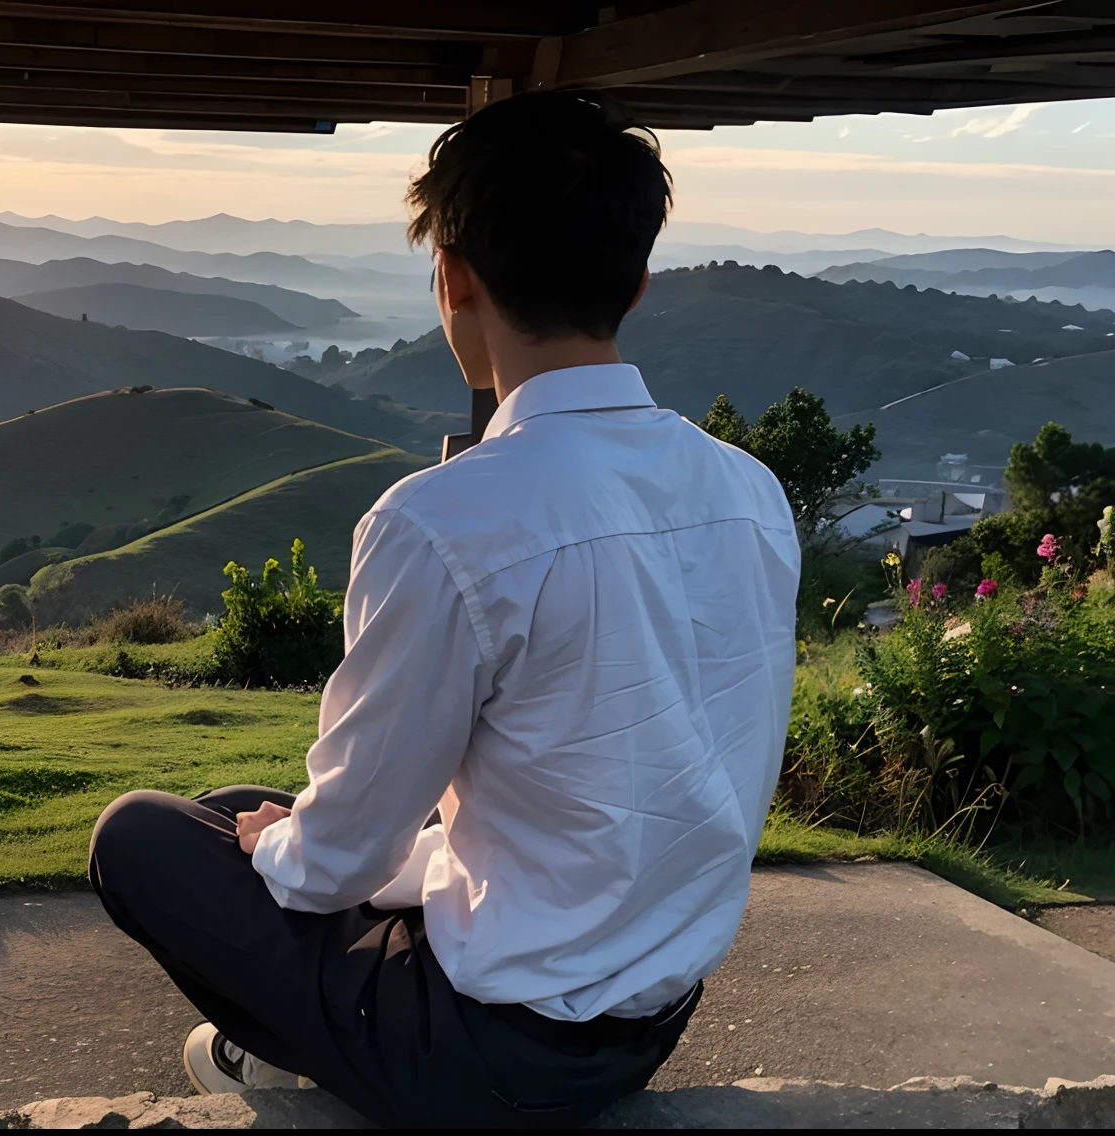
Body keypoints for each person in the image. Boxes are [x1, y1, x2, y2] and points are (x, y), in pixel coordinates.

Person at [87, 90, 801, 1128]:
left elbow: (338, 858)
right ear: (635, 282)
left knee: (142, 837)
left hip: (489, 1053)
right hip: (648, 1011)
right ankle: (316, 1019)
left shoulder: (443, 521)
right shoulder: (746, 489)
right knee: (249, 804)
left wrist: (286, 850)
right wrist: (290, 841)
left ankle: (314, 1057)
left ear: (451, 276)